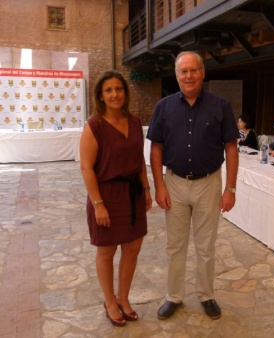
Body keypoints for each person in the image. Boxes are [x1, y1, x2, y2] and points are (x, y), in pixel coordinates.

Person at [147, 51, 239, 320]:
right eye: (183, 71)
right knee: (175, 245)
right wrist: (159, 186)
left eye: (193, 70)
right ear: (176, 76)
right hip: (173, 182)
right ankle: (174, 296)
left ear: (203, 73)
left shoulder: (220, 106)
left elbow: (231, 148)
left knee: (206, 245)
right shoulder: (163, 107)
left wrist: (230, 188)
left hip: (209, 184)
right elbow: (155, 149)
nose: (188, 76)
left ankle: (206, 295)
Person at [80, 70, 152, 327]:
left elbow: (139, 161)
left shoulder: (134, 122)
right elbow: (87, 168)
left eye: (118, 89)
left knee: (132, 248)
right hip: (106, 195)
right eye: (108, 90)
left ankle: (124, 297)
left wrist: (146, 189)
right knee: (107, 251)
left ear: (125, 92)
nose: (114, 94)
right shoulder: (95, 125)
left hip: (132, 194)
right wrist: (98, 204)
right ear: (100, 95)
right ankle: (110, 300)